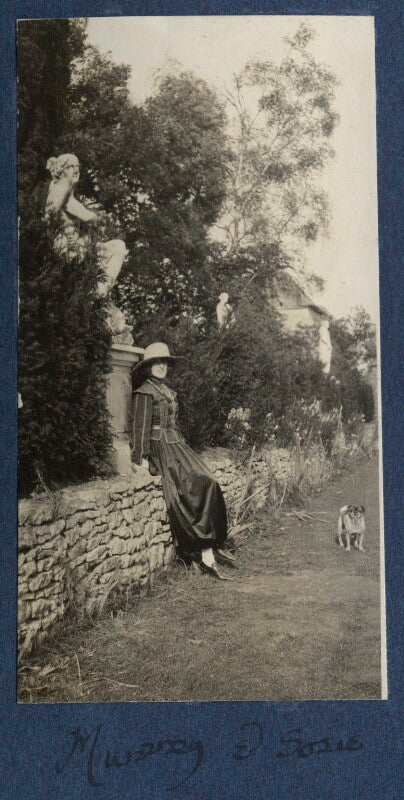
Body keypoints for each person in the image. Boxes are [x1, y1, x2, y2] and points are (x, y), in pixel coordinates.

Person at [131, 342, 235, 579]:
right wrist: (141, 459)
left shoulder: (168, 392)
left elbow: (174, 426)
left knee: (209, 481)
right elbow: (140, 429)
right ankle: (203, 553)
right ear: (148, 368)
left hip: (177, 446)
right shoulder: (144, 393)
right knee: (187, 490)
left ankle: (209, 549)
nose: (161, 366)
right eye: (156, 363)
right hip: (160, 450)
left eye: (164, 362)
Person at [45, 153, 127, 296]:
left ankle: (100, 291)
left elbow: (85, 215)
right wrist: (68, 228)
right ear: (61, 170)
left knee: (117, 247)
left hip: (79, 247)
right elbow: (50, 215)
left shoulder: (67, 193)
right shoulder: (60, 188)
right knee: (117, 247)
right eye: (71, 167)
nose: (76, 170)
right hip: (69, 249)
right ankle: (98, 292)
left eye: (78, 167)